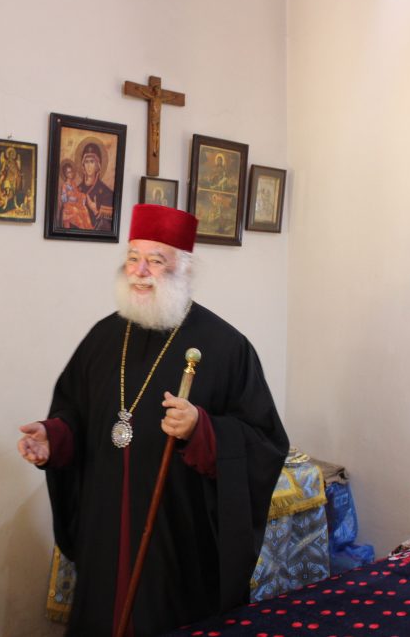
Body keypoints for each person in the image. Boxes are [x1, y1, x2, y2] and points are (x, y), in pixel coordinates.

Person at [17, 204, 289, 636]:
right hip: (104, 528)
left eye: (156, 261)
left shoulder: (226, 347)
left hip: (178, 539)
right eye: (133, 258)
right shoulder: (103, 337)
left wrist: (202, 430)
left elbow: (266, 443)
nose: (140, 272)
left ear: (184, 268)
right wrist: (55, 438)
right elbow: (77, 412)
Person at [77, 142, 115, 231]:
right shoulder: (77, 189)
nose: (88, 165)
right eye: (86, 162)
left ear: (98, 165)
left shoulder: (107, 194)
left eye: (92, 161)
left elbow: (109, 227)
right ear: (83, 165)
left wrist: (95, 211)